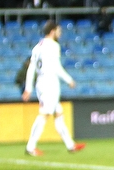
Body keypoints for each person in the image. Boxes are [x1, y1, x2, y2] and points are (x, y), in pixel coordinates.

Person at [21, 21, 86, 156]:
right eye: (58, 31)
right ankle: (30, 146)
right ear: (52, 31)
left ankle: (70, 145)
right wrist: (69, 80)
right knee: (44, 114)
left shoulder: (37, 47)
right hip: (49, 84)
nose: (60, 33)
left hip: (41, 82)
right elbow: (57, 67)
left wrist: (28, 87)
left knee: (58, 114)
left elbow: (31, 68)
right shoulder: (53, 46)